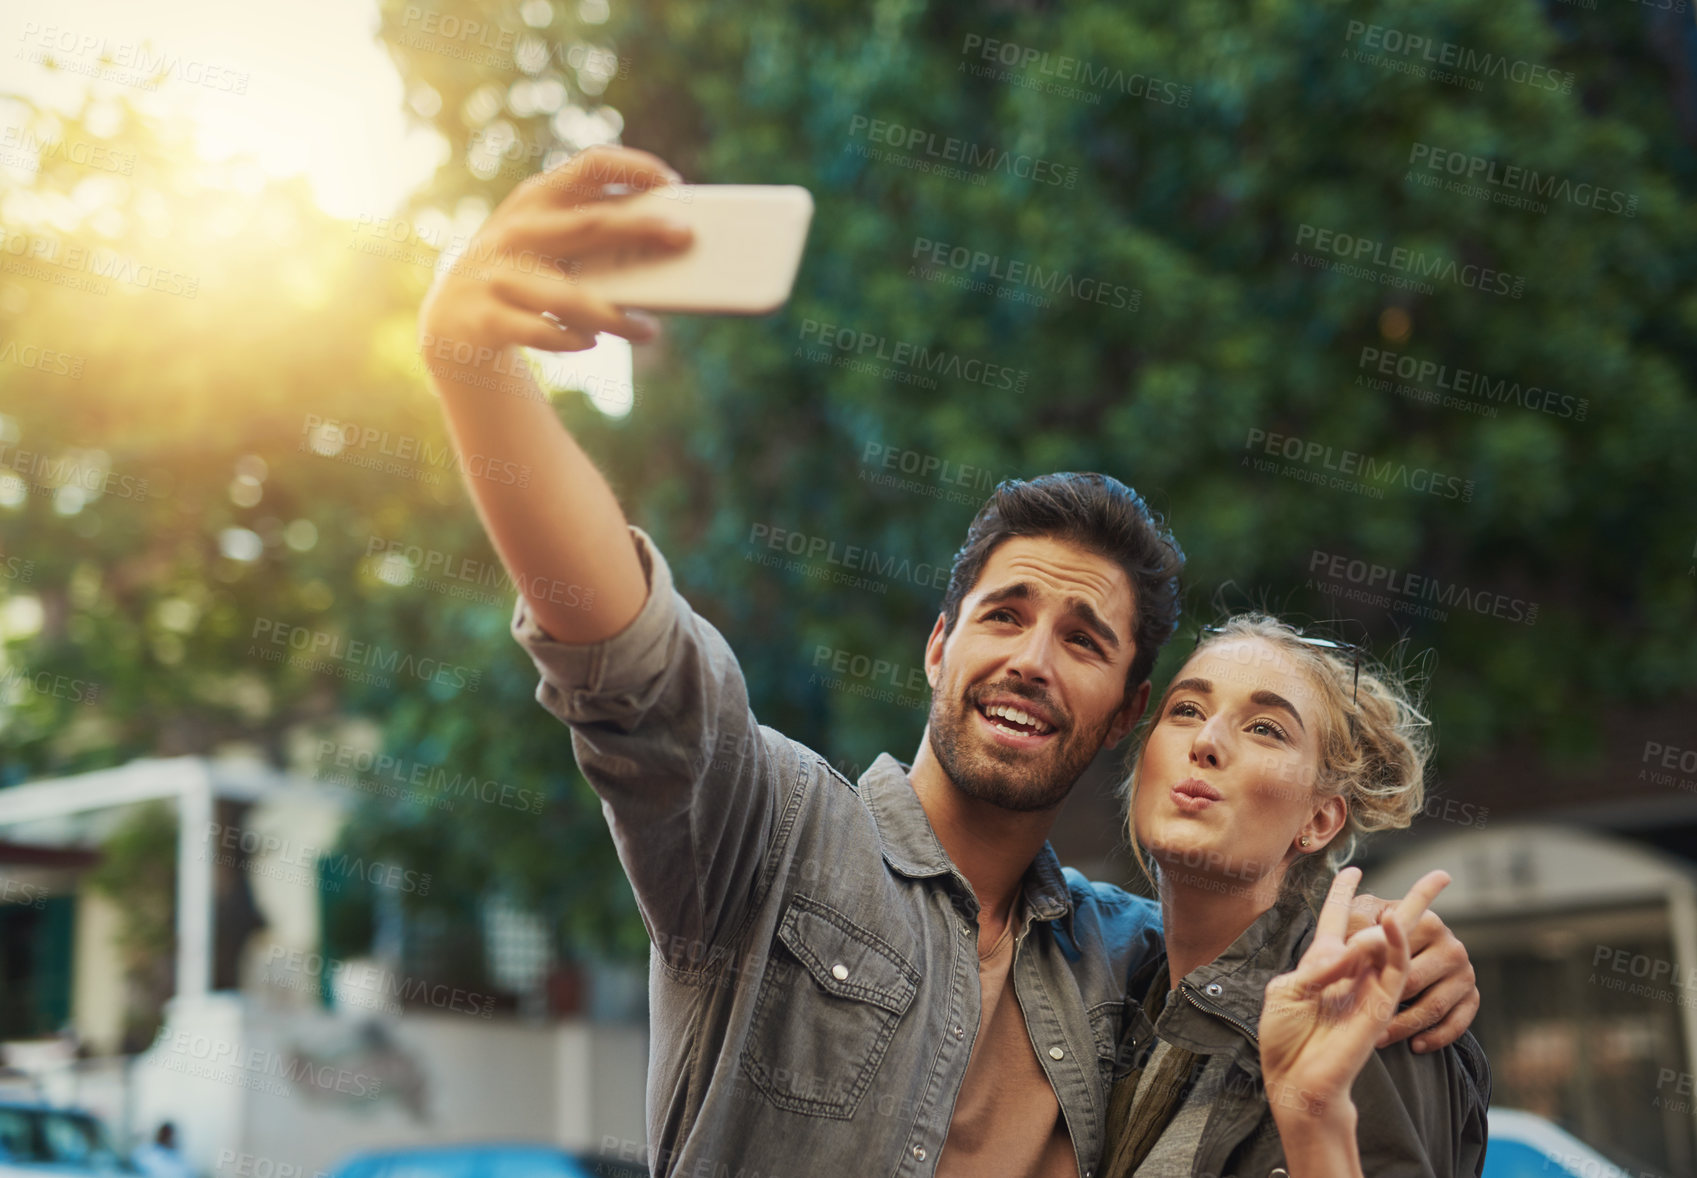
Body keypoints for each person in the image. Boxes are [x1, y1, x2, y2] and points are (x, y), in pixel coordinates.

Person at [416, 144, 1482, 1178]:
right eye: (1002, 614)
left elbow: (1265, 947)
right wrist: (477, 376)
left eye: (1081, 640)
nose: (1029, 657)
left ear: (1122, 712)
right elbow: (633, 666)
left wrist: (1415, 957)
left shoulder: (1130, 962)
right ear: (938, 644)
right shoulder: (770, 836)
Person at [1099, 615, 1489, 1177]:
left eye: (1265, 728)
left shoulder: (1358, 1005)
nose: (1206, 742)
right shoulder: (1118, 996)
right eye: (1186, 710)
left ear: (1321, 817)